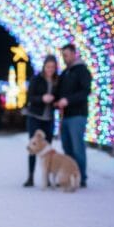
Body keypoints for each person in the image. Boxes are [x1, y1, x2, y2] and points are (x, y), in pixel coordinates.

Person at [55, 44, 92, 188]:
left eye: (67, 55)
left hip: (77, 115)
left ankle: (81, 177)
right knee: (67, 147)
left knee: (77, 148)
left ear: (74, 54)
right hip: (65, 116)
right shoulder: (65, 72)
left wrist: (68, 100)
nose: (65, 58)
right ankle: (71, 174)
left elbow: (85, 91)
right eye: (63, 55)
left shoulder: (82, 71)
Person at [22, 55, 59, 187]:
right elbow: (30, 97)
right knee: (33, 146)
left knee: (48, 149)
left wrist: (55, 101)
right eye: (48, 66)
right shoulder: (36, 79)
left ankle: (47, 178)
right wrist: (42, 98)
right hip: (35, 117)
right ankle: (30, 177)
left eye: (53, 67)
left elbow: (59, 96)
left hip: (49, 119)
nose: (50, 69)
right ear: (44, 66)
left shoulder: (57, 81)